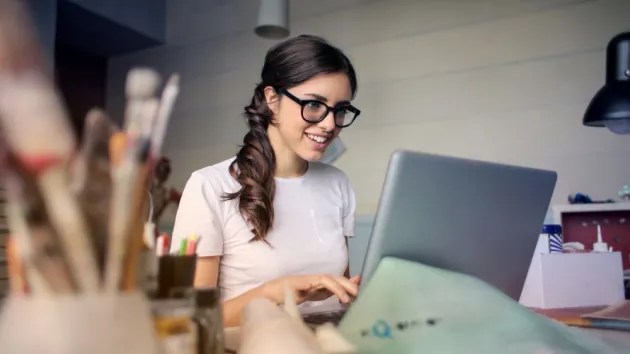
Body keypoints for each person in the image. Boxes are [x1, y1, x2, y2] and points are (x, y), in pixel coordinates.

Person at [170, 34, 362, 327]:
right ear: (273, 99)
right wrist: (274, 293)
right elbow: (191, 318)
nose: (329, 124)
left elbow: (341, 291)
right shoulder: (209, 186)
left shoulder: (337, 183)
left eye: (340, 110)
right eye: (314, 105)